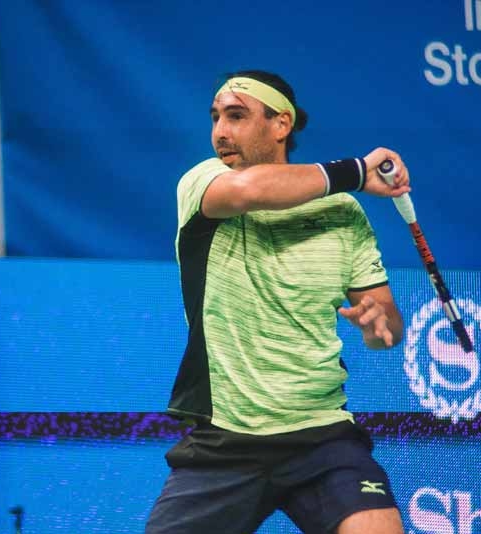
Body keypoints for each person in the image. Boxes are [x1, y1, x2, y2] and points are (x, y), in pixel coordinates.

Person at [145, 70, 410, 534]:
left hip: (322, 436)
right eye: (215, 118)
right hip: (226, 439)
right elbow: (250, 190)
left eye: (236, 116)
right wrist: (356, 171)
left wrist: (378, 325)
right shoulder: (204, 183)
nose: (220, 131)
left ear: (281, 124)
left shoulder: (342, 212)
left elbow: (388, 328)